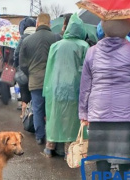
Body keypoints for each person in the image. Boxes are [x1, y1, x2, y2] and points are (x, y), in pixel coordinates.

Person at [79, 19, 130, 179]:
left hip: (98, 113)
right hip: (126, 115)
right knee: (125, 159)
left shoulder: (92, 52)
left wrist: (83, 113)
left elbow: (85, 86)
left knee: (100, 159)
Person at [42, 13, 89, 158]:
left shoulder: (55, 46)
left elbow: (49, 69)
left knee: (54, 117)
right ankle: (69, 151)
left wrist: (47, 89)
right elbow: (86, 71)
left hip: (55, 88)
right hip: (74, 89)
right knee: (71, 120)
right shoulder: (83, 46)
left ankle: (50, 147)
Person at [19, 13, 61, 145]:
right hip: (53, 81)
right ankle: (52, 136)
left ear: (37, 24)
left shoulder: (27, 41)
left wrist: (30, 73)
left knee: (37, 109)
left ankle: (39, 136)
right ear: (50, 24)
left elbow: (22, 64)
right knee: (52, 109)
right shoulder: (57, 38)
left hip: (35, 80)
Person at [14, 17, 36, 118]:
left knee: (24, 91)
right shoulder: (38, 36)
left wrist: (16, 66)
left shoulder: (23, 38)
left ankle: (24, 114)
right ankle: (34, 113)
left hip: (24, 70)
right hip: (37, 71)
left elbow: (16, 53)